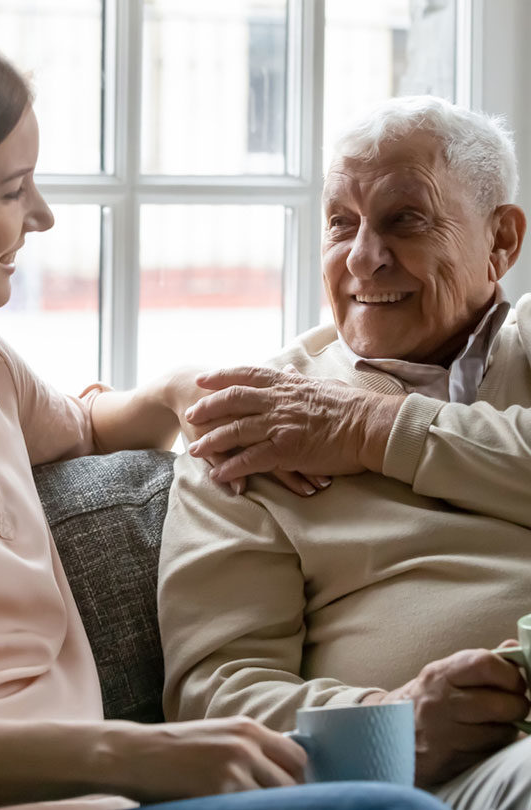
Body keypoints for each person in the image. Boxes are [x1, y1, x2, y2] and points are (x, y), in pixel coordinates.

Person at [0, 13, 449, 810]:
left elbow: (95, 423)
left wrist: (192, 392)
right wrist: (134, 753)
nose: (41, 217)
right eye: (12, 190)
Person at [158, 95, 531, 810]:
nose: (364, 257)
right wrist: (392, 721)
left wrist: (375, 430)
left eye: (406, 219)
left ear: (501, 241)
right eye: (341, 224)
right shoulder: (253, 428)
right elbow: (215, 694)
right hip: (454, 777)